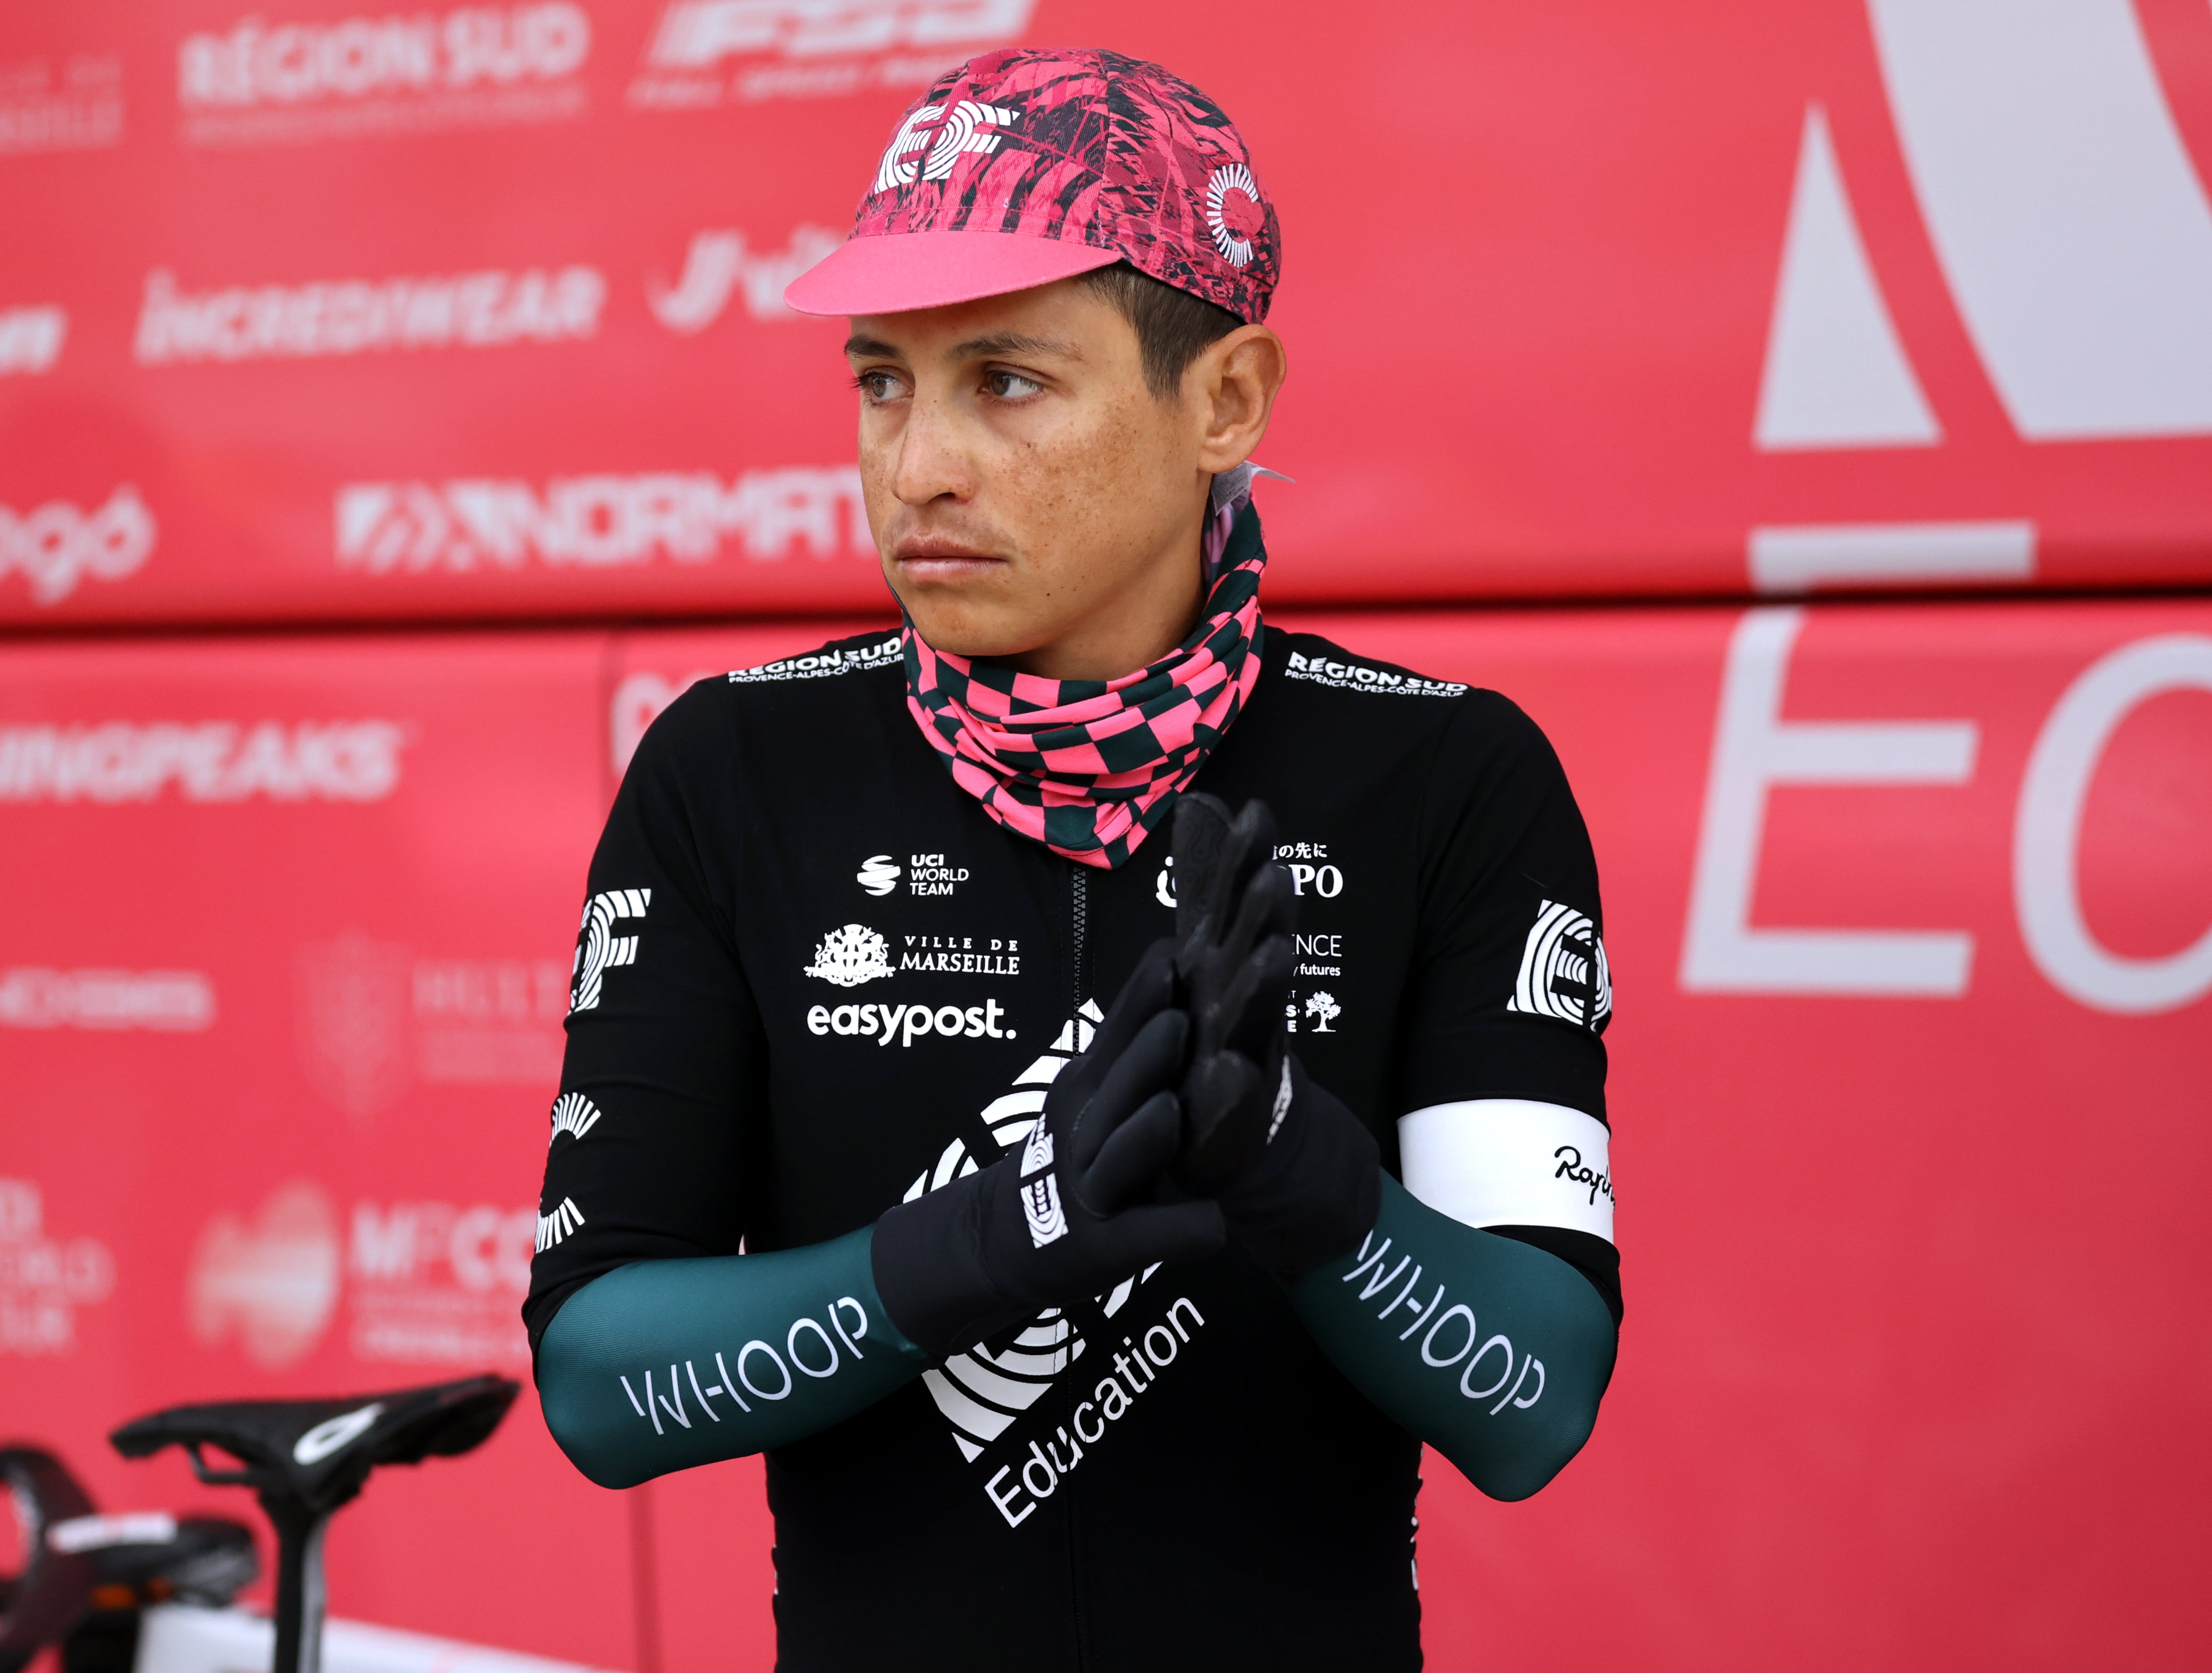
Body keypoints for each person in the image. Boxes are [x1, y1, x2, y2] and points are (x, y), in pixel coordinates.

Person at [524, 46, 1620, 1670]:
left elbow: (1532, 1404)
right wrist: (982, 1238)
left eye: (1006, 380)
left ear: (1225, 401)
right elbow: (599, 1382)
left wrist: (1296, 1175)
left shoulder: (1444, 776)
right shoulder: (733, 766)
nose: (916, 469)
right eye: (880, 378)